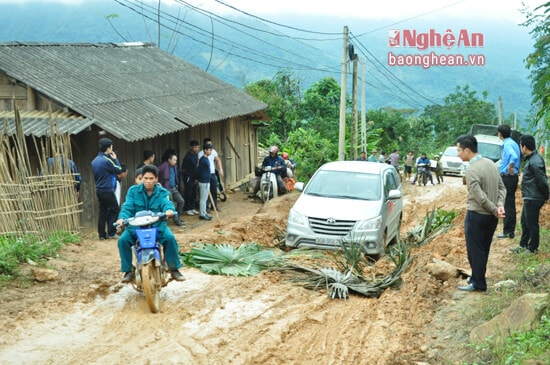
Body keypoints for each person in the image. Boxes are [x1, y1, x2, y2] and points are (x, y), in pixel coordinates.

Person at [115, 164, 185, 283]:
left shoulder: (163, 192)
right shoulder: (133, 191)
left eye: (151, 178)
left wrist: (169, 210)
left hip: (157, 226)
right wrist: (122, 218)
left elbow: (166, 203)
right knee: (122, 241)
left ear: (156, 178)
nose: (148, 181)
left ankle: (174, 269)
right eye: (145, 178)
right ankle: (128, 271)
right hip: (135, 227)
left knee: (170, 238)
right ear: (141, 178)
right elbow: (127, 206)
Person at [456, 134, 506, 292]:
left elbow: (480, 197)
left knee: (474, 250)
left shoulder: (472, 170)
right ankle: (477, 277)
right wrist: (499, 206)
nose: (458, 154)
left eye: (459, 150)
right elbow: (502, 188)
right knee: (483, 248)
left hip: (477, 215)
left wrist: (494, 209)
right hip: (491, 218)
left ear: (467, 151)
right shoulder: (491, 164)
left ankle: (479, 284)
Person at [510, 135, 549, 254]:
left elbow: (542, 180)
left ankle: (532, 248)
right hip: (530, 196)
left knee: (532, 223)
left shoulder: (536, 161)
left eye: (520, 146)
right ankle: (523, 245)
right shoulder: (532, 159)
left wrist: (547, 195)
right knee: (525, 222)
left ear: (524, 147)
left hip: (534, 197)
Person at [91, 138, 123, 240]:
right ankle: (111, 232)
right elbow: (119, 170)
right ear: (108, 148)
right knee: (115, 210)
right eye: (111, 146)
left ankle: (101, 234)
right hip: (107, 190)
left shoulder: (94, 161)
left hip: (99, 189)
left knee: (102, 211)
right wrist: (115, 159)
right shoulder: (107, 160)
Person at [496, 124, 521, 239]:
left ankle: (508, 231)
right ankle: (509, 230)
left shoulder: (508, 144)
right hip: (511, 177)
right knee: (509, 203)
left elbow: (514, 157)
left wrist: (509, 168)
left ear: (500, 133)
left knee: (508, 204)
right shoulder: (512, 142)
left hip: (508, 177)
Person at [157, 149, 185, 227]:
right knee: (171, 205)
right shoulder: (164, 165)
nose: (175, 161)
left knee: (181, 201)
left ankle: (178, 217)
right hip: (166, 189)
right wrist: (157, 182)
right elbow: (155, 171)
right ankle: (177, 221)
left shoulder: (175, 167)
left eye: (176, 160)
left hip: (174, 188)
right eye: (174, 160)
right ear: (169, 160)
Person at [198, 138, 224, 212]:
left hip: (213, 174)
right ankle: (206, 208)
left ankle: (214, 206)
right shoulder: (201, 154)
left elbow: (217, 160)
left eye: (211, 145)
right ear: (205, 147)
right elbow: (198, 166)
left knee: (214, 191)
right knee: (206, 192)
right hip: (205, 176)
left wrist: (220, 169)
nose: (210, 147)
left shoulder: (213, 152)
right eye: (208, 145)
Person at [182, 140, 200, 216]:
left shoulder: (196, 155)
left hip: (195, 178)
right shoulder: (187, 157)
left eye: (198, 147)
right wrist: (188, 176)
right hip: (189, 178)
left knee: (194, 193)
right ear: (191, 147)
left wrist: (196, 177)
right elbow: (183, 169)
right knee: (188, 193)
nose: (197, 149)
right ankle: (187, 208)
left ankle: (192, 207)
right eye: (195, 147)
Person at [197, 144, 213, 220]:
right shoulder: (203, 160)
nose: (210, 151)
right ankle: (202, 214)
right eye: (209, 150)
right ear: (205, 150)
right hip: (204, 181)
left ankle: (204, 212)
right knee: (203, 199)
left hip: (206, 180)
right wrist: (198, 178)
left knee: (205, 198)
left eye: (211, 150)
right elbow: (199, 170)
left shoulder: (206, 159)